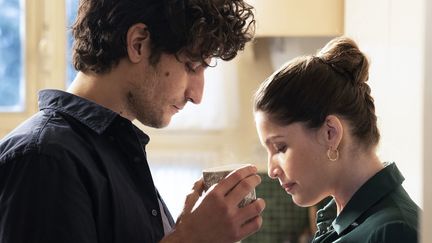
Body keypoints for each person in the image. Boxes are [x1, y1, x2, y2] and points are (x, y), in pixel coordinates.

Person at [0, 0, 266, 242]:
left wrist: (187, 230)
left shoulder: (115, 150)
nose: (196, 95)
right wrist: (191, 238)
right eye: (191, 66)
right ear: (138, 43)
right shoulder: (44, 157)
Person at [253, 36, 419, 242]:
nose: (271, 170)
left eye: (280, 147)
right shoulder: (337, 221)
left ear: (330, 133)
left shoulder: (394, 232)